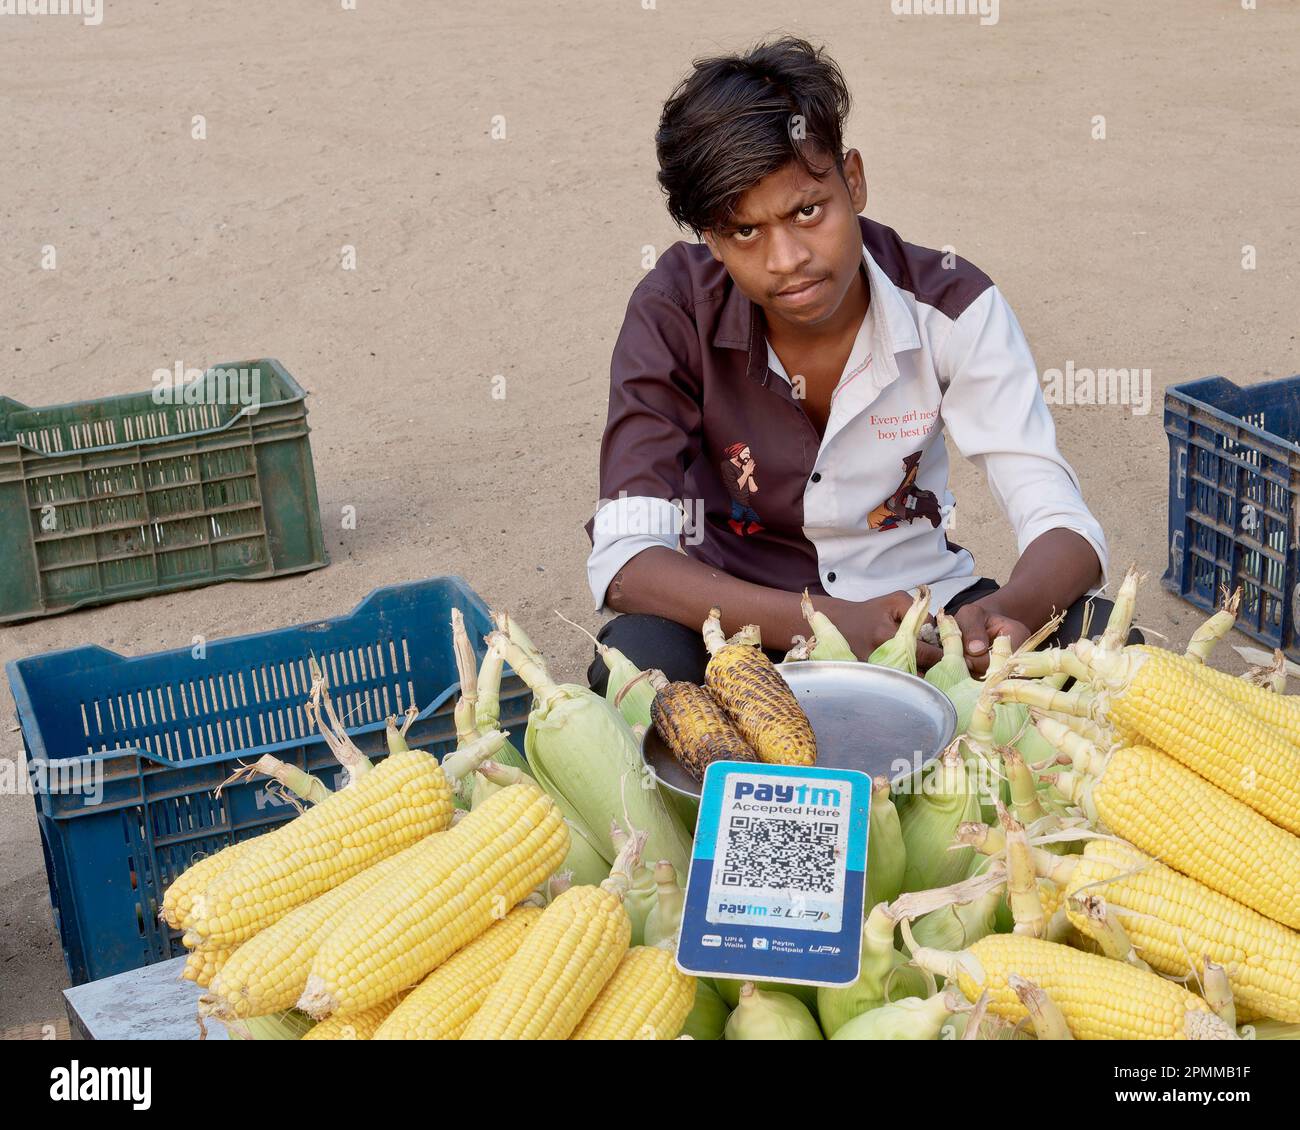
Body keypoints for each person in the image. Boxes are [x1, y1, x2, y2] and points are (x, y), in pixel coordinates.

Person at [584, 36, 1127, 692]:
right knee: (640, 664)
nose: (786, 259)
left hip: (924, 618)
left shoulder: (953, 304)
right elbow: (626, 560)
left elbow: (1062, 522)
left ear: (855, 181)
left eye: (807, 211)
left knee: (1100, 647)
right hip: (736, 624)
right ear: (712, 242)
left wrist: (1006, 613)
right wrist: (828, 624)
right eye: (745, 232)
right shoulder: (675, 310)